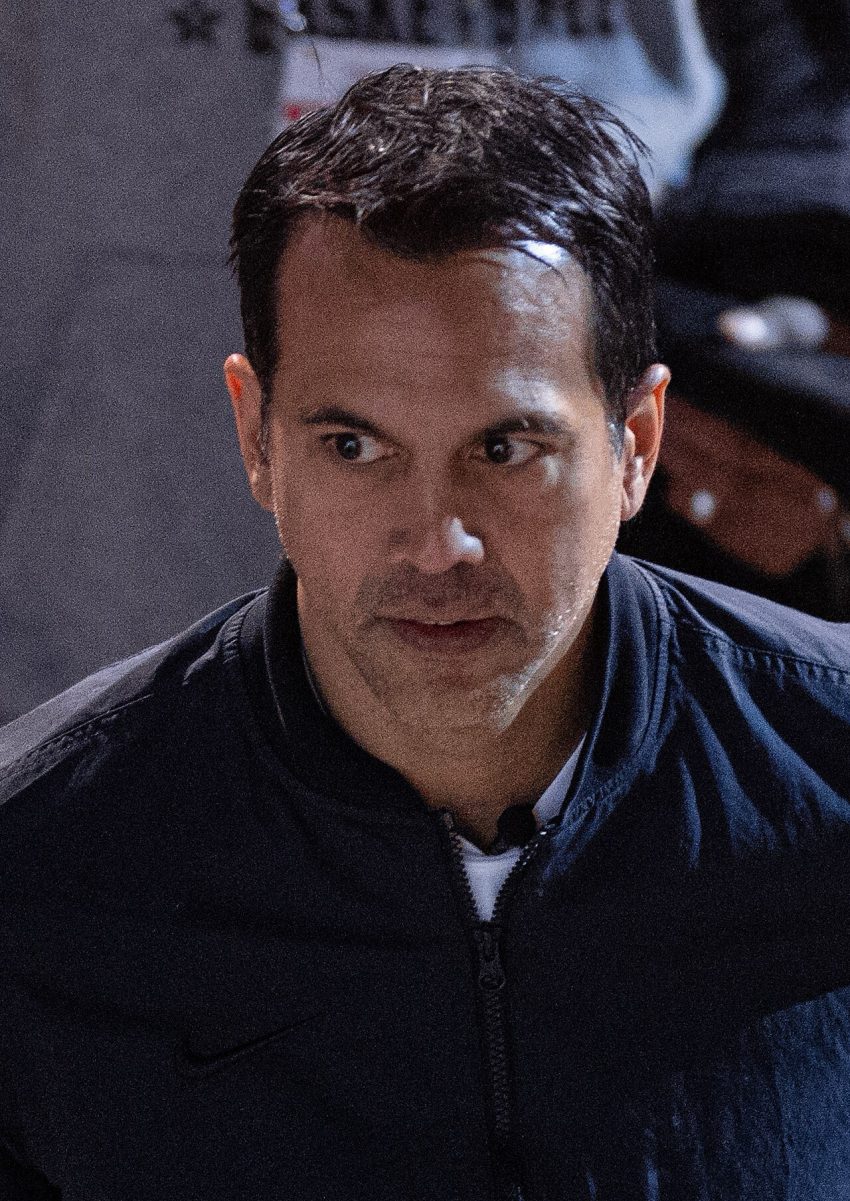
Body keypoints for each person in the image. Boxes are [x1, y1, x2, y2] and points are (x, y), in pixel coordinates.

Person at [0, 64, 848, 1201]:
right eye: (355, 448)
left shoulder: (830, 772)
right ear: (256, 437)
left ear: (637, 442)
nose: (439, 545)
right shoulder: (38, 875)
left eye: (506, 448)